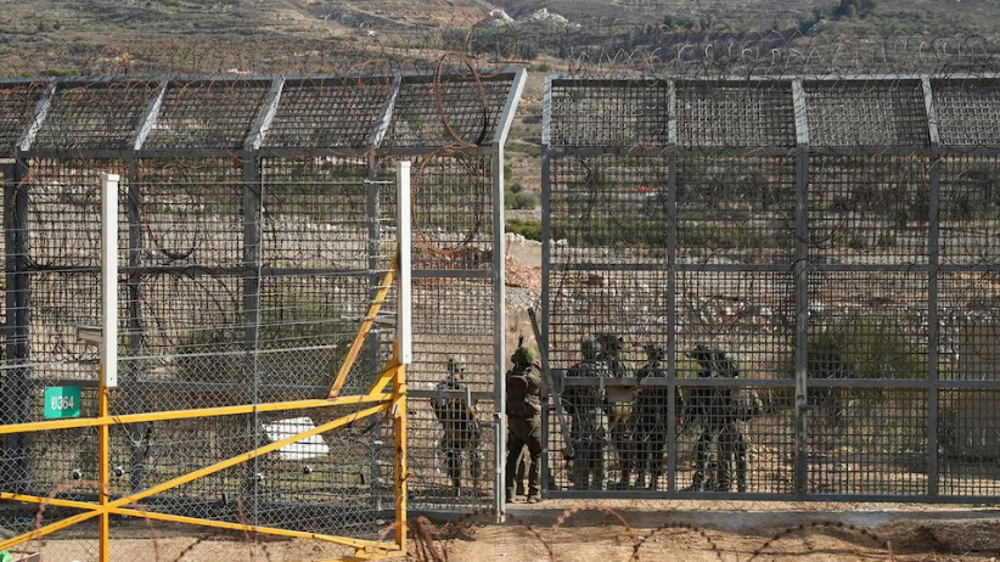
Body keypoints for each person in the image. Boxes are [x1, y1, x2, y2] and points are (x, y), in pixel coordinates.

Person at [685, 345, 760, 492]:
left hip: (726, 425)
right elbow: (758, 407)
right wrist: (745, 416)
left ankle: (724, 487)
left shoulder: (721, 386)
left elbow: (716, 409)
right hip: (743, 427)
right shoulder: (746, 385)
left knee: (724, 458)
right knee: (742, 457)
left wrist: (712, 426)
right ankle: (743, 486)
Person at [431, 357, 482, 497]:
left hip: (450, 428)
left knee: (453, 453)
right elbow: (471, 411)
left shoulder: (441, 387)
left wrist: (445, 420)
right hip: (465, 428)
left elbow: (435, 405)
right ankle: (476, 485)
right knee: (474, 453)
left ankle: (456, 486)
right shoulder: (463, 387)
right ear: (461, 371)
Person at [562, 339, 608, 490]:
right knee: (601, 450)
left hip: (581, 415)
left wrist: (574, 412)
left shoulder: (575, 370)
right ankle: (600, 485)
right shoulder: (604, 369)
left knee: (581, 450)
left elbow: (566, 398)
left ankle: (581, 484)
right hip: (599, 414)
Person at [595, 332, 636, 489]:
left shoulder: (605, 362)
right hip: (625, 405)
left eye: (602, 344)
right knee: (623, 443)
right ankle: (625, 478)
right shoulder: (626, 362)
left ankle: (600, 481)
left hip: (610, 406)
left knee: (603, 441)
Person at [633, 344, 676, 490]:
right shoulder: (659, 372)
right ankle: (648, 480)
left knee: (647, 447)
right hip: (654, 415)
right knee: (651, 448)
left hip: (652, 415)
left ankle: (647, 479)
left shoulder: (651, 372)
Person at [505, 343, 544, 504]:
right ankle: (534, 493)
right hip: (531, 423)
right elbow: (547, 388)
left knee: (513, 456)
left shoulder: (509, 377)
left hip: (513, 421)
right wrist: (541, 370)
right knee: (537, 455)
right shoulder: (534, 380)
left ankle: (509, 493)